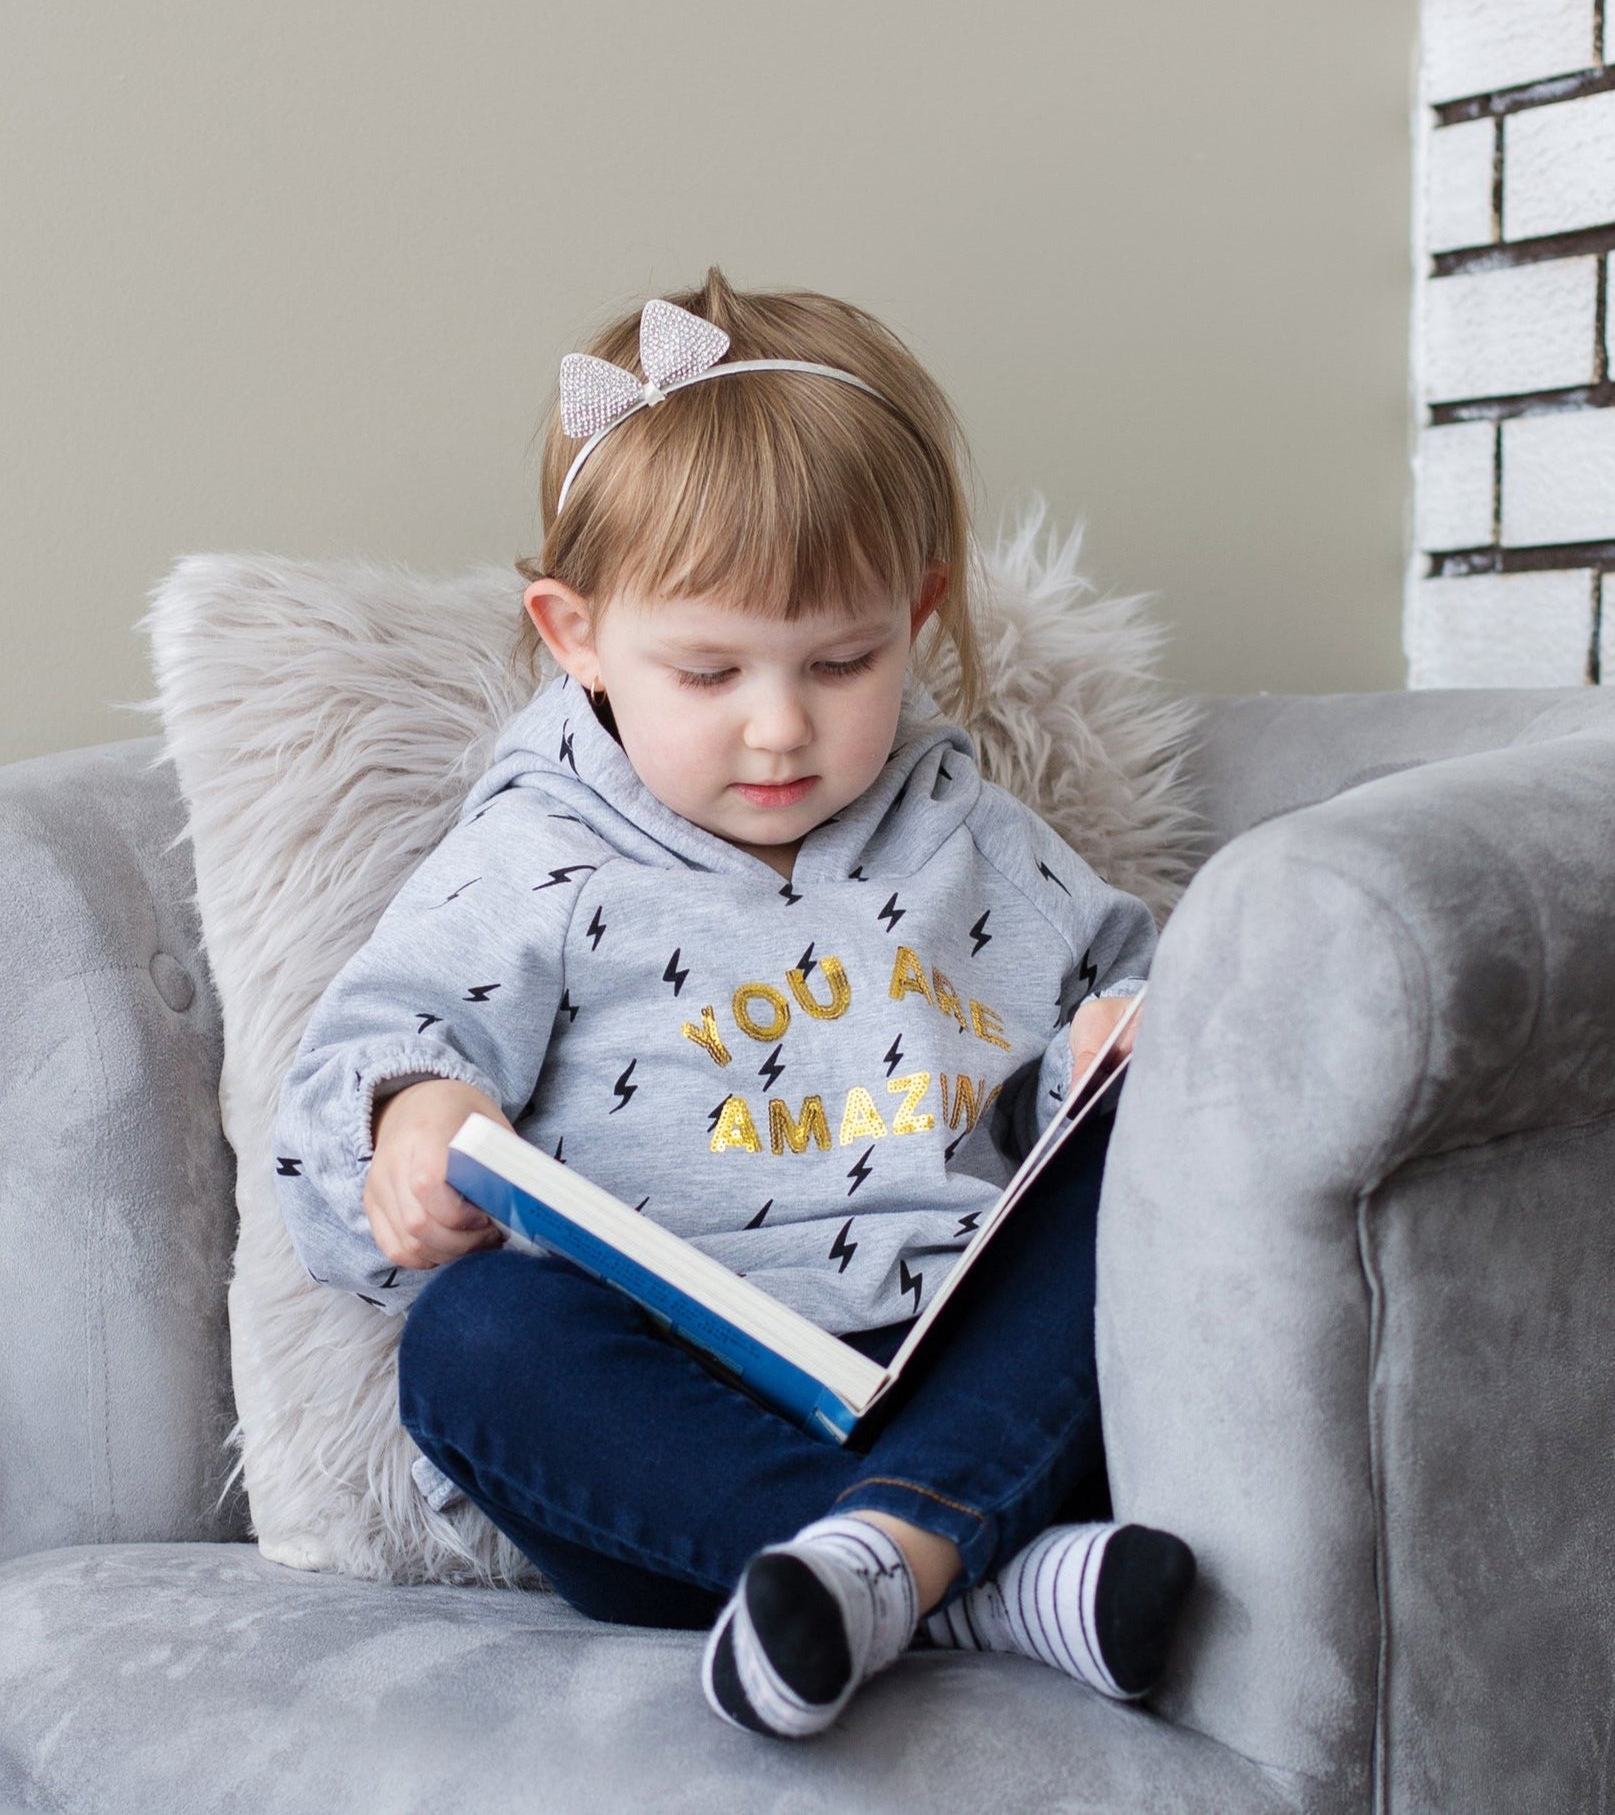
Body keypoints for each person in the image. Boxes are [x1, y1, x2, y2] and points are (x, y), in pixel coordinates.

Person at [271, 268, 1198, 1739]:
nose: (779, 724)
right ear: (574, 635)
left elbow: (1137, 994)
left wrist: (1115, 1039)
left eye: (842, 662)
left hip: (962, 1374)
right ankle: (965, 1581)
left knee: (1152, 1149)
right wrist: (411, 1125)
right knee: (477, 1342)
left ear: (920, 613)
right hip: (679, 1428)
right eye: (706, 669)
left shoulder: (972, 837)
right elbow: (371, 1058)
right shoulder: (537, 855)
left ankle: (891, 1555)